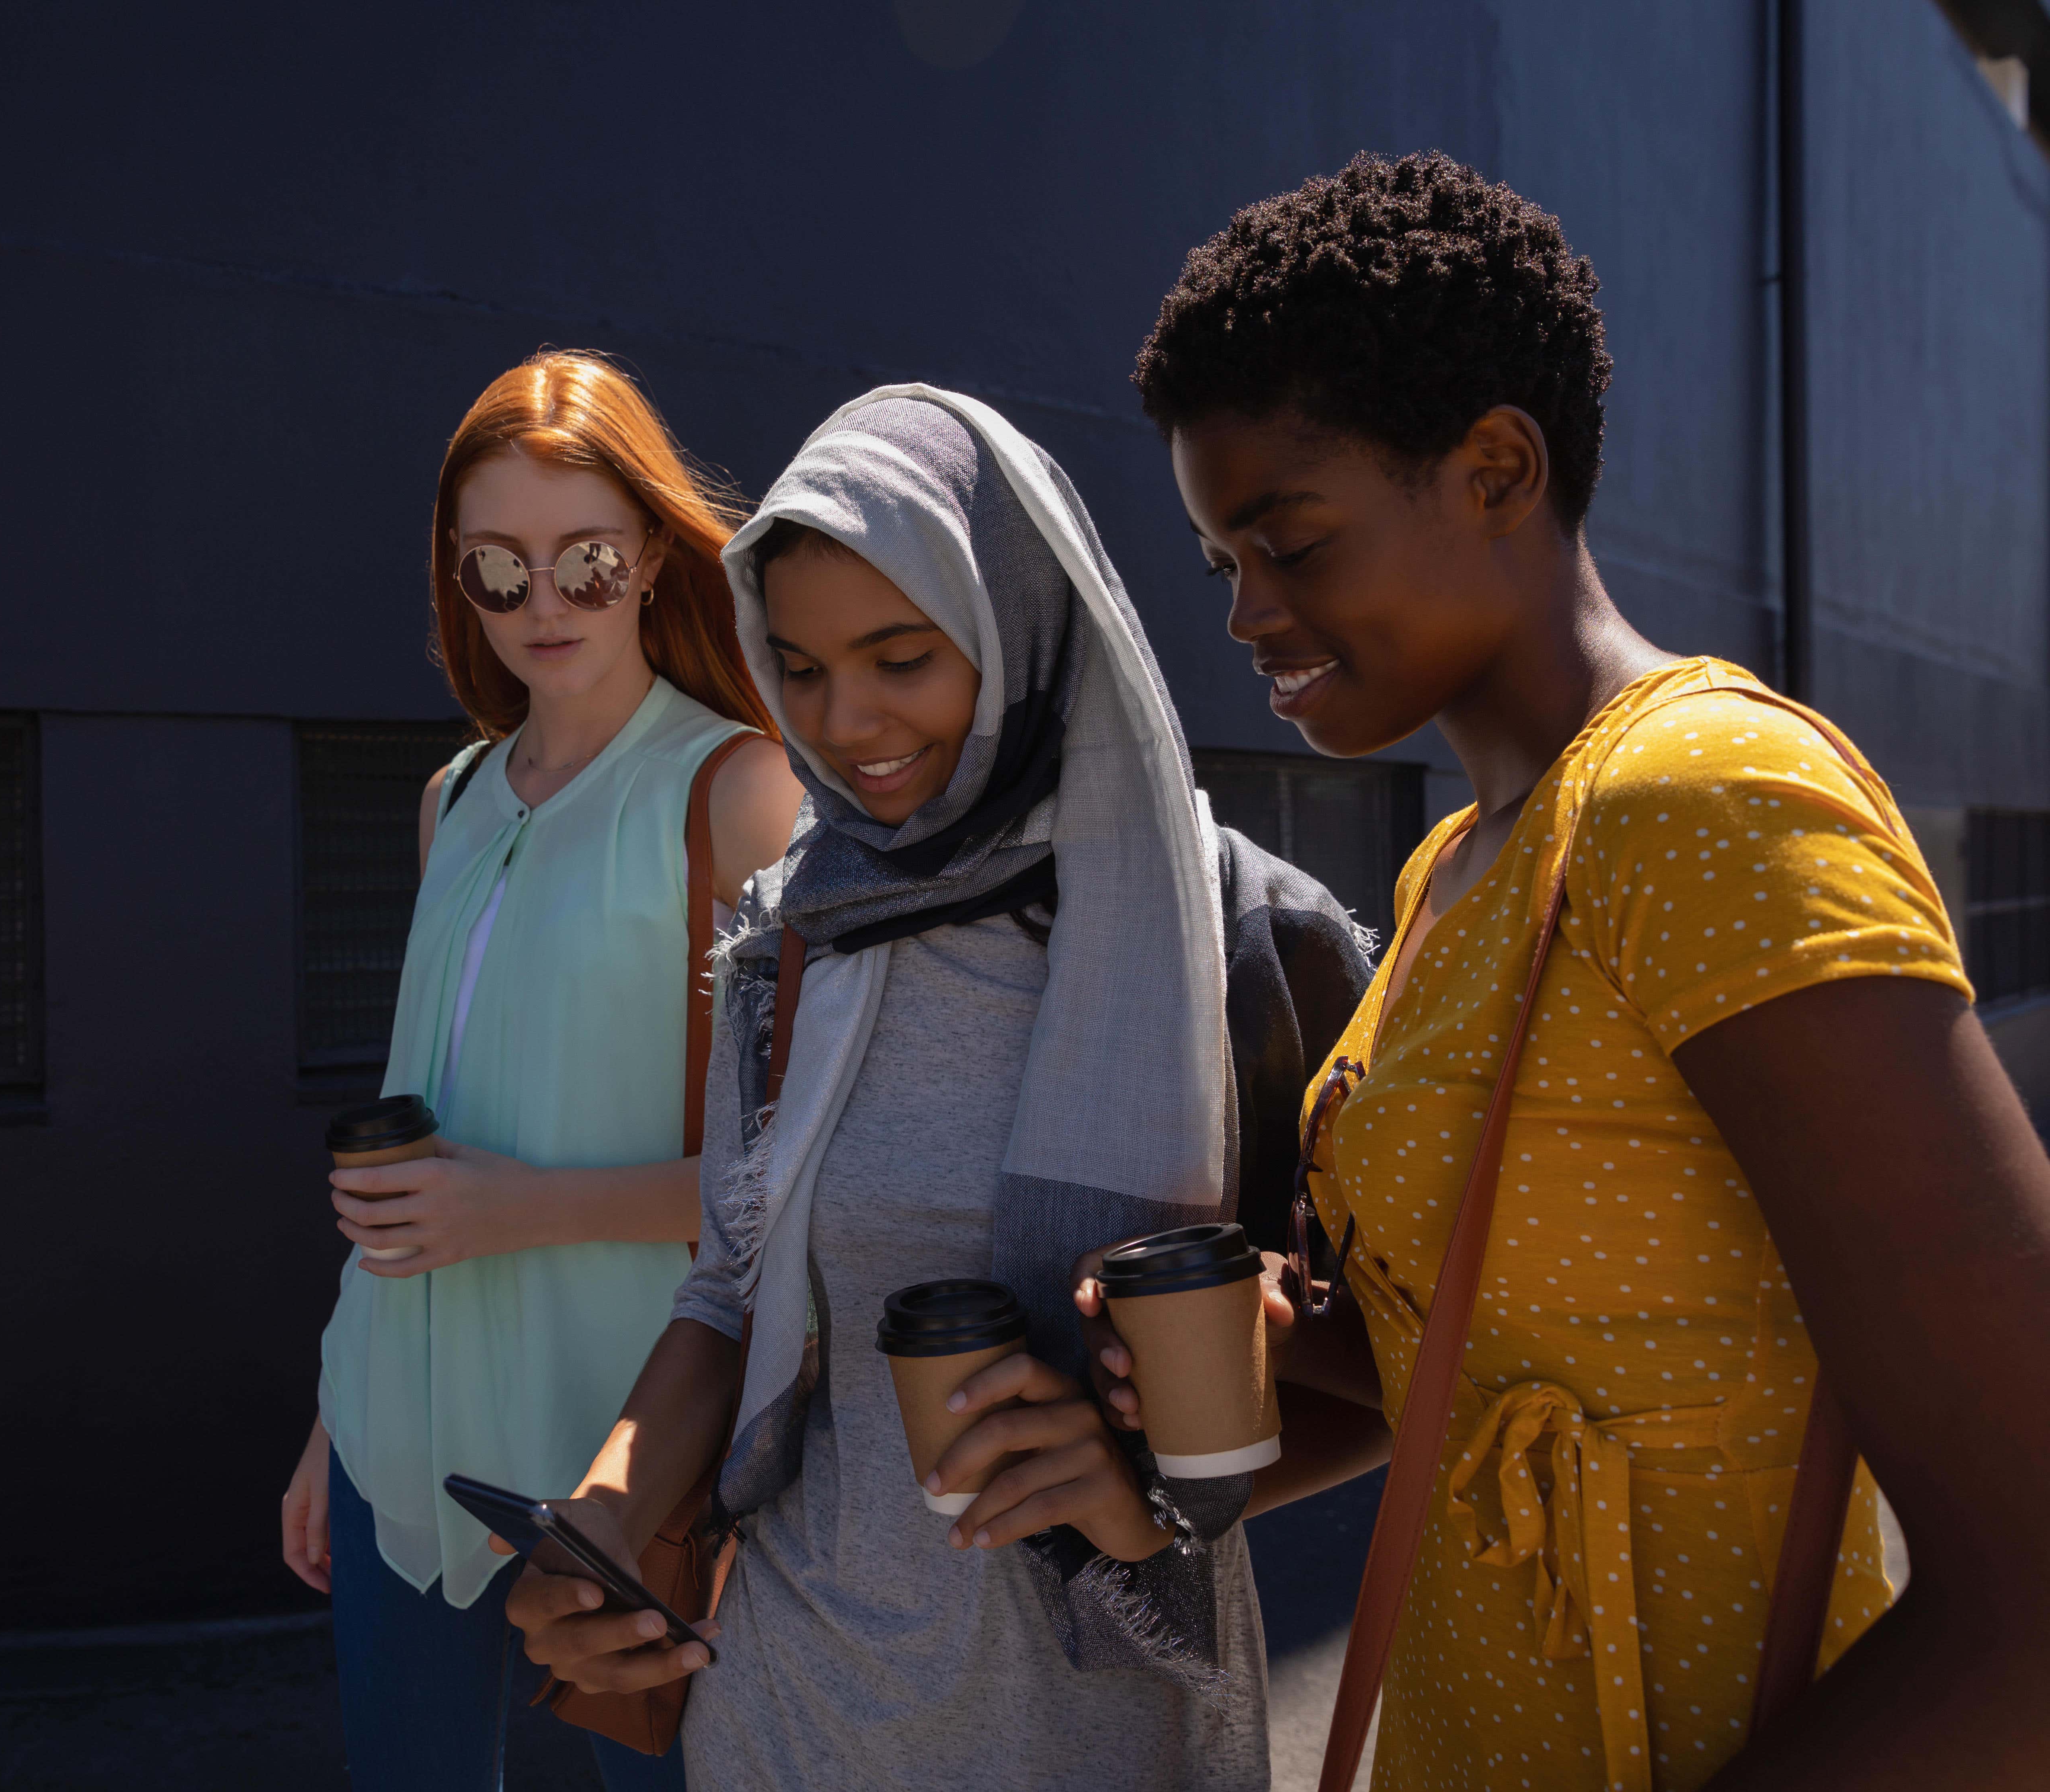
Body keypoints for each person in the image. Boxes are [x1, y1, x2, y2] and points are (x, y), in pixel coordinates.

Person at [1137, 151, 2050, 1790]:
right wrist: (1230, 1351)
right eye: (1224, 563)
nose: (1245, 613)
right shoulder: (1457, 863)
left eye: (1291, 541)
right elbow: (1474, 1361)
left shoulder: (1703, 802)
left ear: (1496, 466)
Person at [504, 386, 1389, 1790]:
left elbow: (1399, 1371)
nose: (846, 721)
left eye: (902, 657)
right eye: (795, 667)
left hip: (1094, 1730)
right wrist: (608, 1518)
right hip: (786, 1705)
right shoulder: (791, 934)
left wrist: (1151, 1499)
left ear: (1018, 626)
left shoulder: (1234, 934)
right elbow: (728, 1294)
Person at [278, 350, 803, 1792]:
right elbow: (408, 1135)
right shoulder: (454, 798)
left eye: (582, 560)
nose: (543, 605)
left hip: (625, 1465)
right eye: (496, 570)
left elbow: (806, 1173)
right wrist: (338, 1418)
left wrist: (530, 1208)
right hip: (403, 1438)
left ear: (647, 556)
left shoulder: (737, 790)